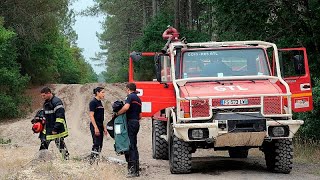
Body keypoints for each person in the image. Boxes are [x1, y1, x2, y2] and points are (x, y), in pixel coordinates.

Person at [116, 83, 142, 177]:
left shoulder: (130, 97)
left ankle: (132, 171)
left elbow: (126, 107)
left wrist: (117, 114)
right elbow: (140, 116)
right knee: (134, 146)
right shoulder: (138, 99)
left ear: (128, 89)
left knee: (130, 146)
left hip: (130, 122)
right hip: (136, 123)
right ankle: (137, 169)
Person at [40, 87, 69, 159]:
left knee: (59, 144)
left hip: (56, 129)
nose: (42, 97)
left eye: (44, 95)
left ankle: (66, 158)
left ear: (49, 93)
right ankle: (41, 160)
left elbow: (60, 117)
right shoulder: (46, 102)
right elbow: (45, 114)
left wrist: (55, 129)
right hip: (48, 128)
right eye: (42, 95)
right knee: (44, 144)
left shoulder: (57, 102)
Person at [89, 87, 107, 162]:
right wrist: (95, 127)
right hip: (95, 126)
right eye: (102, 92)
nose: (104, 94)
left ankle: (96, 160)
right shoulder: (93, 102)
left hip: (100, 125)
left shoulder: (100, 103)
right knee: (96, 144)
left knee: (100, 145)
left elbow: (101, 117)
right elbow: (91, 115)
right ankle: (92, 162)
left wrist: (104, 128)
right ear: (97, 93)